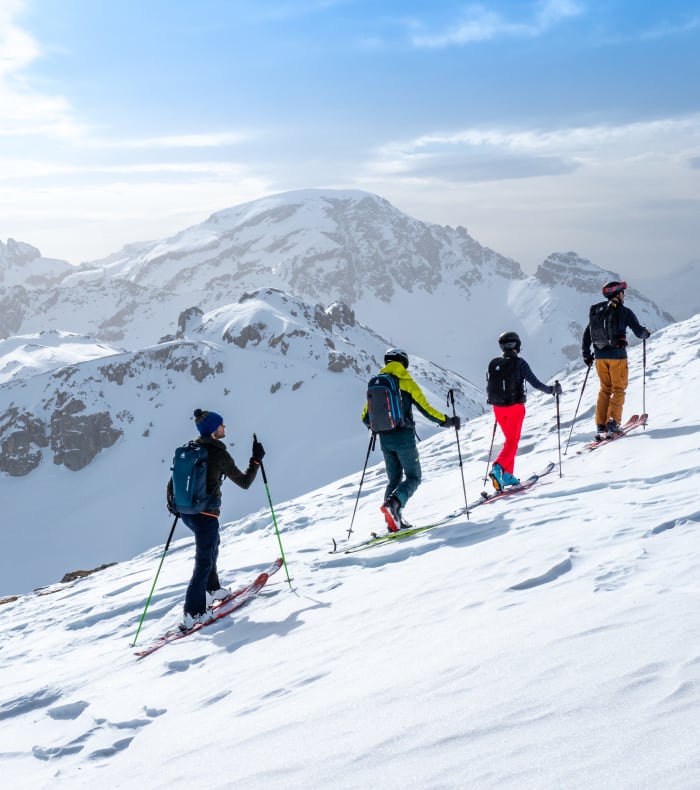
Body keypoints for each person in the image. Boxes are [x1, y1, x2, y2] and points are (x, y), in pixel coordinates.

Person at [167, 409, 265, 631]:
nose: (224, 427)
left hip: (187, 513)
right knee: (203, 561)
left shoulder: (191, 449)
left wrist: (175, 506)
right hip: (206, 515)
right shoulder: (219, 454)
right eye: (221, 425)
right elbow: (244, 482)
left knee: (212, 547)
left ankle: (212, 589)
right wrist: (256, 460)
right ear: (213, 430)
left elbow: (172, 481)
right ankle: (193, 613)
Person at [361, 348, 460, 532]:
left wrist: (381, 427)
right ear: (403, 363)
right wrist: (447, 421)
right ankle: (394, 505)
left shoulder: (377, 383)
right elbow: (427, 410)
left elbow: (365, 417)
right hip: (404, 439)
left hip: (385, 440)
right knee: (414, 477)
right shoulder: (407, 383)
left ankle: (393, 520)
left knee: (394, 479)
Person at [486, 331, 562, 492]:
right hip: (515, 408)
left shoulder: (494, 363)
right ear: (517, 345)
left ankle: (507, 475)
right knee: (512, 442)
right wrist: (552, 390)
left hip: (498, 408)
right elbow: (535, 383)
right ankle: (498, 468)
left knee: (510, 441)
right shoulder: (519, 363)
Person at [581, 281, 650, 441]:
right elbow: (639, 332)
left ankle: (601, 426)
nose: (624, 295)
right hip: (617, 357)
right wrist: (646, 333)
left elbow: (587, 334)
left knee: (605, 389)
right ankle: (613, 423)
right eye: (623, 292)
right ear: (618, 294)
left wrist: (586, 355)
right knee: (618, 389)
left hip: (600, 358)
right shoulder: (624, 312)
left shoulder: (598, 312)